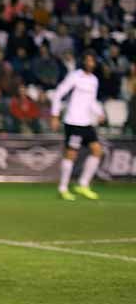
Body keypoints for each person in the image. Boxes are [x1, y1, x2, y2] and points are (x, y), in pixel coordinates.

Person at [49, 51, 104, 201]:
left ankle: (83, 184)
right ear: (83, 62)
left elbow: (91, 101)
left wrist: (100, 112)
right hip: (73, 122)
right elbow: (59, 93)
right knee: (71, 155)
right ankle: (63, 188)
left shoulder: (94, 80)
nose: (90, 63)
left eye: (92, 61)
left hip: (86, 123)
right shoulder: (75, 76)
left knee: (97, 151)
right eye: (88, 61)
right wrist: (55, 115)